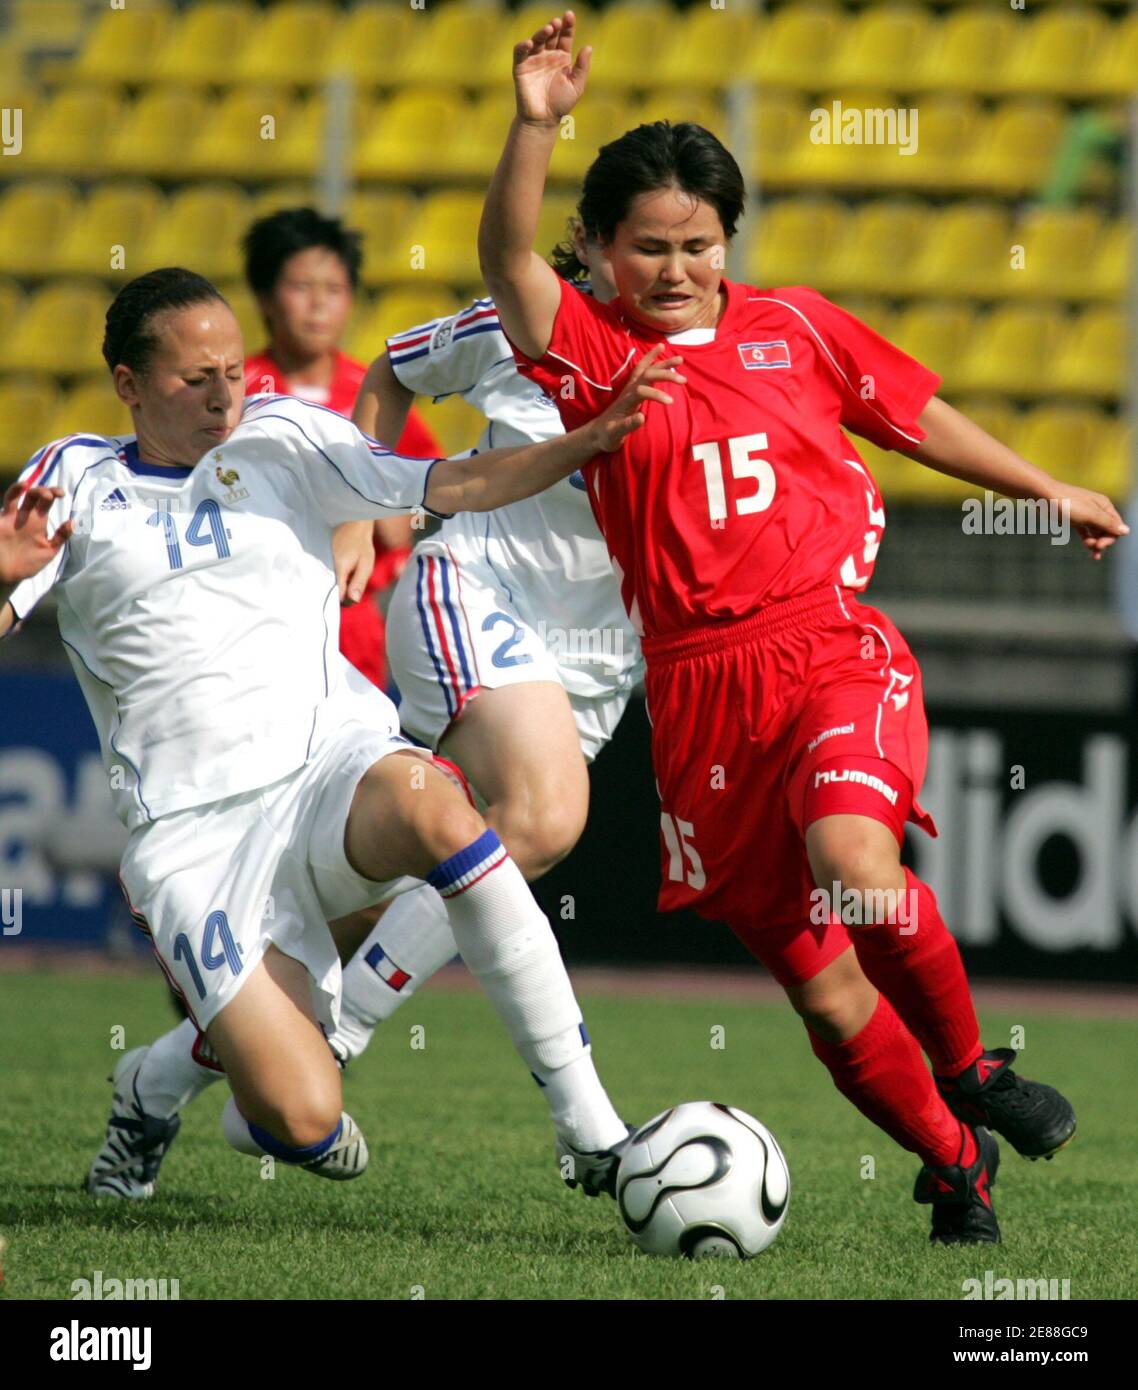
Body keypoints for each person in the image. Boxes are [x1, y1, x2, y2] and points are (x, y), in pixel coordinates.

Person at [475, 12, 1130, 1245]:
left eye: (698, 244)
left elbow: (916, 417)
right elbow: (508, 258)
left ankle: (972, 1067)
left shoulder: (799, 327)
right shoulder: (594, 355)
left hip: (828, 648)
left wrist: (1045, 487)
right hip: (697, 695)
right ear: (602, 249)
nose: (676, 269)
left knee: (856, 868)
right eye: (648, 246)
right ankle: (955, 1161)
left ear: (729, 240)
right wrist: (532, 123)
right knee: (826, 995)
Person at [0, 266, 682, 1198]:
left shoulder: (286, 435)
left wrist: (588, 441)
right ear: (129, 384)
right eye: (195, 379)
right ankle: (149, 1087)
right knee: (301, 1118)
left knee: (446, 816)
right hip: (195, 834)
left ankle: (590, 1127)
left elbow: (453, 481)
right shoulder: (75, 478)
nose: (224, 396)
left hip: (331, 762)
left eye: (233, 372)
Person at [242, 206, 441, 690]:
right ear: (265, 297)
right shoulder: (233, 394)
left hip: (352, 619)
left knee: (357, 737)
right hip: (252, 614)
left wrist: (392, 512)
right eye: (300, 287)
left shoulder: (378, 394)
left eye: (333, 289)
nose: (318, 305)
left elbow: (421, 501)